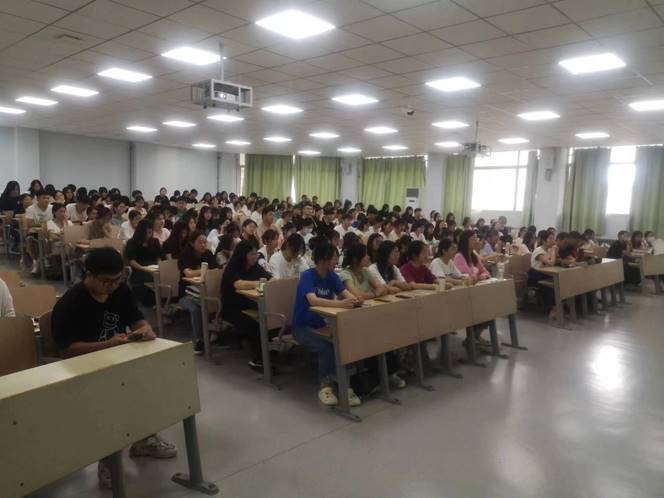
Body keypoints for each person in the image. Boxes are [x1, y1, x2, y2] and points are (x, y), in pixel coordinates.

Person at [51, 248, 176, 489]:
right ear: (89, 275)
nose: (111, 286)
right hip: (83, 368)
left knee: (153, 381)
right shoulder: (71, 303)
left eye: (116, 280)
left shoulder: (120, 291)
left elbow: (136, 319)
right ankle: (108, 457)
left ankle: (143, 438)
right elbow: (67, 351)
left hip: (118, 360)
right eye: (106, 281)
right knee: (110, 398)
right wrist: (108, 344)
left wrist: (144, 329)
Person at [291, 241, 361, 407]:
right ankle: (325, 386)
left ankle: (343, 385)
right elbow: (313, 300)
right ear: (323, 259)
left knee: (344, 344)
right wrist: (341, 304)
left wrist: (355, 299)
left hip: (322, 325)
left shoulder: (332, 276)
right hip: (302, 327)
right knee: (326, 347)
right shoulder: (308, 276)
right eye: (333, 258)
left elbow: (346, 294)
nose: (336, 262)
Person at [220, 240, 272, 371]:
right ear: (243, 255)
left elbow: (268, 278)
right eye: (252, 254)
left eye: (256, 254)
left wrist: (272, 282)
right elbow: (238, 284)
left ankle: (269, 355)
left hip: (250, 305)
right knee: (255, 325)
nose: (255, 257)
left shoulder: (255, 266)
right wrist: (258, 283)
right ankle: (258, 360)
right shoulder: (232, 267)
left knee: (269, 320)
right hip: (232, 309)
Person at [177, 231, 218, 354]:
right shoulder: (185, 254)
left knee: (215, 302)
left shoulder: (208, 254)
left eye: (205, 242)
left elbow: (215, 270)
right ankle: (200, 341)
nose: (203, 245)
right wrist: (204, 270)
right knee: (196, 309)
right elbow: (188, 273)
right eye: (200, 242)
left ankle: (216, 333)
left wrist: (202, 271)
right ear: (192, 243)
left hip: (205, 291)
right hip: (186, 293)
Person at [125, 219, 161, 306]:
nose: (149, 235)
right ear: (141, 232)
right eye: (147, 233)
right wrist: (144, 269)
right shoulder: (132, 243)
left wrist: (159, 266)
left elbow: (159, 258)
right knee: (148, 279)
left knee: (165, 277)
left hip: (154, 268)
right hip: (139, 270)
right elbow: (132, 261)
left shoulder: (155, 241)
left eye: (150, 232)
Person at [529, 230, 558, 319]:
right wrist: (554, 251)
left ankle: (556, 307)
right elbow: (551, 263)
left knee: (558, 282)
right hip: (535, 276)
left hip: (544, 274)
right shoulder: (539, 251)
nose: (553, 241)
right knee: (550, 285)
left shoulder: (548, 250)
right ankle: (553, 309)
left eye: (553, 238)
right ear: (544, 240)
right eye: (550, 238)